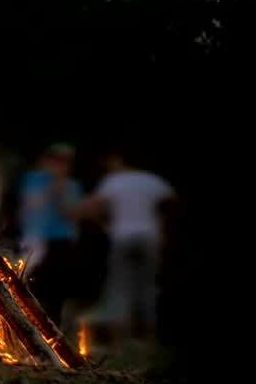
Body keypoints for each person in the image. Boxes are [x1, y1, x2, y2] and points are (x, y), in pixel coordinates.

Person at [81, 146, 177, 353]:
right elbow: (172, 201)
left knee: (120, 285)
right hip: (150, 237)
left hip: (123, 237)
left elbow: (90, 207)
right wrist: (161, 224)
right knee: (147, 286)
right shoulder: (151, 180)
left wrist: (105, 226)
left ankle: (119, 341)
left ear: (118, 161)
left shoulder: (113, 181)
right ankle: (149, 340)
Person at [17, 142, 84, 328]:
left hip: (62, 242)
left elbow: (71, 213)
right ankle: (32, 330)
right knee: (34, 288)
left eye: (65, 161)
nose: (61, 165)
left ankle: (54, 334)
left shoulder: (71, 185)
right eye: (57, 160)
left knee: (57, 292)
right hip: (37, 241)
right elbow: (32, 207)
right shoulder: (35, 180)